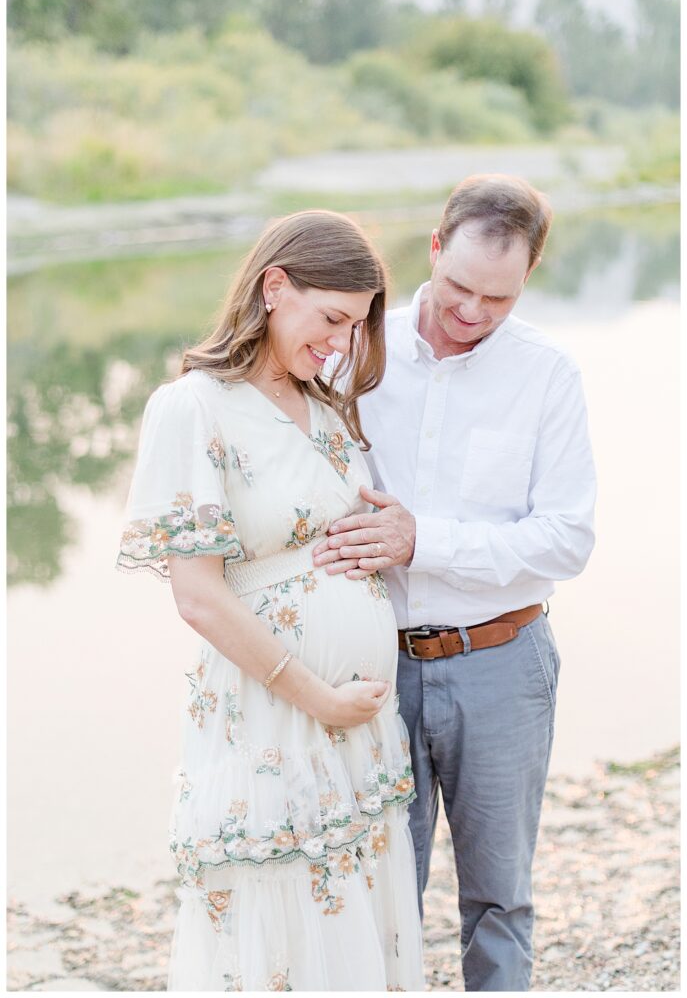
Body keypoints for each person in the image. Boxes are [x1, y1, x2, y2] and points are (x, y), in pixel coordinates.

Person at [116, 210, 425, 991]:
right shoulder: (194, 408)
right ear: (274, 285)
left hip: (353, 723)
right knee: (281, 923)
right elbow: (198, 598)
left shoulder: (323, 408)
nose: (341, 342)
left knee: (354, 917)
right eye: (331, 318)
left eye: (355, 325)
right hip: (275, 711)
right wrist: (316, 695)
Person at [313, 175, 596, 991]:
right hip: (370, 664)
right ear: (432, 250)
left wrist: (421, 542)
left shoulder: (547, 375)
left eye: (497, 299)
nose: (472, 312)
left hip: (502, 664)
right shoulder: (353, 353)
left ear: (528, 279)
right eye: (459, 287)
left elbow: (566, 539)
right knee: (377, 885)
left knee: (499, 897)